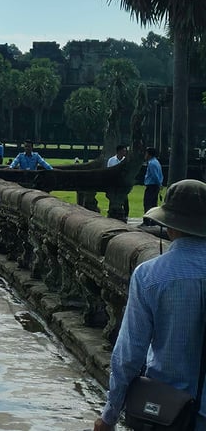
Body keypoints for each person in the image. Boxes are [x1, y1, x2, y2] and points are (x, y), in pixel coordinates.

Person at [93, 179, 206, 431]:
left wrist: (109, 415)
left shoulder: (150, 276)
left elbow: (129, 354)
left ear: (170, 228)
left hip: (165, 410)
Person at [142, 146, 163, 214]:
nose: (145, 155)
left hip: (151, 186)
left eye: (146, 153)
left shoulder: (151, 163)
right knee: (153, 203)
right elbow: (160, 175)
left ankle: (147, 220)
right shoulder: (157, 162)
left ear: (149, 154)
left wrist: (159, 184)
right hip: (155, 186)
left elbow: (155, 175)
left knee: (147, 203)